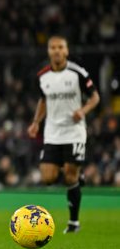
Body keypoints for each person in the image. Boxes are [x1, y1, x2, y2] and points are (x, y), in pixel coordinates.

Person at [27, 35, 100, 234]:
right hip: (52, 133)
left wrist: (83, 111)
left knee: (69, 177)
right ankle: (76, 174)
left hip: (74, 132)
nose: (57, 51)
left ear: (66, 51)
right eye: (53, 47)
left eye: (61, 47)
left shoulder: (77, 73)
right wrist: (36, 123)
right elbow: (43, 101)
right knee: (48, 177)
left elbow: (95, 97)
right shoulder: (43, 76)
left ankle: (74, 223)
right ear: (48, 51)